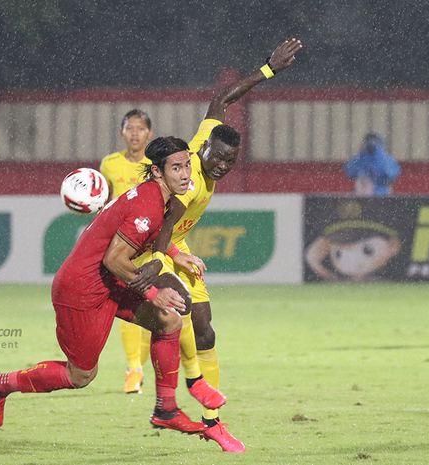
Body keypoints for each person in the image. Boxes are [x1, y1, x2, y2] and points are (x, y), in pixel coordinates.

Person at [0, 137, 228, 435]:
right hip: (81, 289)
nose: (186, 174)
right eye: (177, 168)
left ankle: (166, 408)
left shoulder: (160, 198)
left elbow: (153, 234)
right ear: (158, 172)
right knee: (81, 375)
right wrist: (153, 293)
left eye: (187, 165)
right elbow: (114, 259)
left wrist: (177, 254)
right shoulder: (149, 205)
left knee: (169, 321)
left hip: (108, 283)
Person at [130, 37, 303, 453]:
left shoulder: (209, 137)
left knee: (205, 329)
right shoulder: (185, 184)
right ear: (202, 150)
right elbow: (161, 230)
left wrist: (267, 70)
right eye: (218, 160)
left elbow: (221, 98)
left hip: (174, 243)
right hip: (149, 244)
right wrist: (170, 258)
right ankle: (189, 386)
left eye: (230, 162)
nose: (223, 167)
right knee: (182, 309)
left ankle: (212, 421)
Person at [99, 109, 154, 394]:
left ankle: (138, 367)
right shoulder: (109, 164)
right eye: (130, 128)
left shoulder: (156, 165)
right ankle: (134, 369)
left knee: (155, 307)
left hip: (151, 245)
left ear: (149, 134)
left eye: (140, 128)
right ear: (122, 132)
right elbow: (104, 201)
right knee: (130, 302)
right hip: (121, 246)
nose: (134, 133)